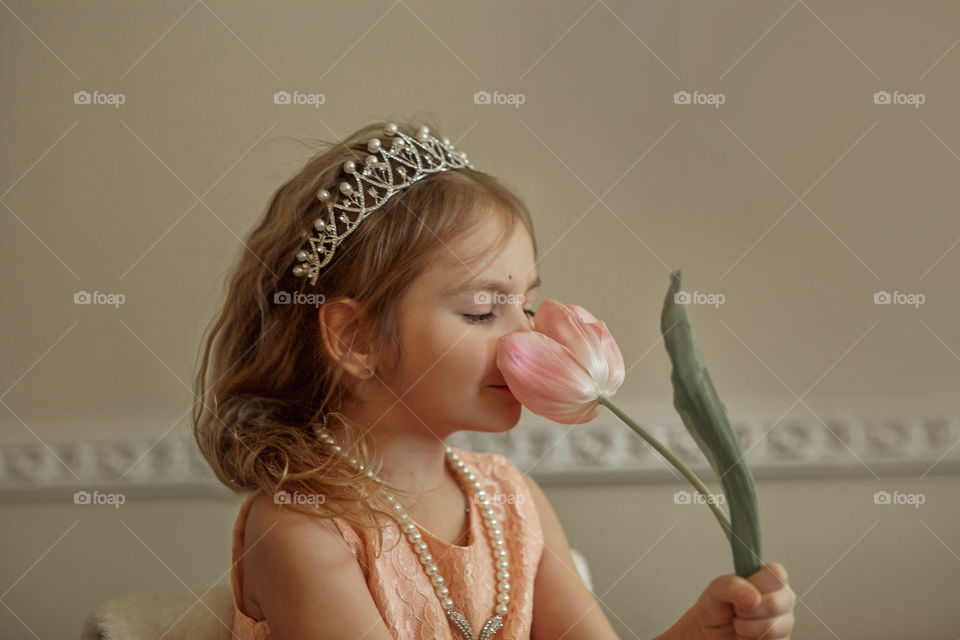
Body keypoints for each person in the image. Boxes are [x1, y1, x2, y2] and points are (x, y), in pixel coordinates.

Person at [192, 118, 796, 640]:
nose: (527, 339)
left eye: (527, 308)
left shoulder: (511, 499)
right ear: (356, 339)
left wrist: (702, 631)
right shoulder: (303, 529)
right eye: (483, 311)